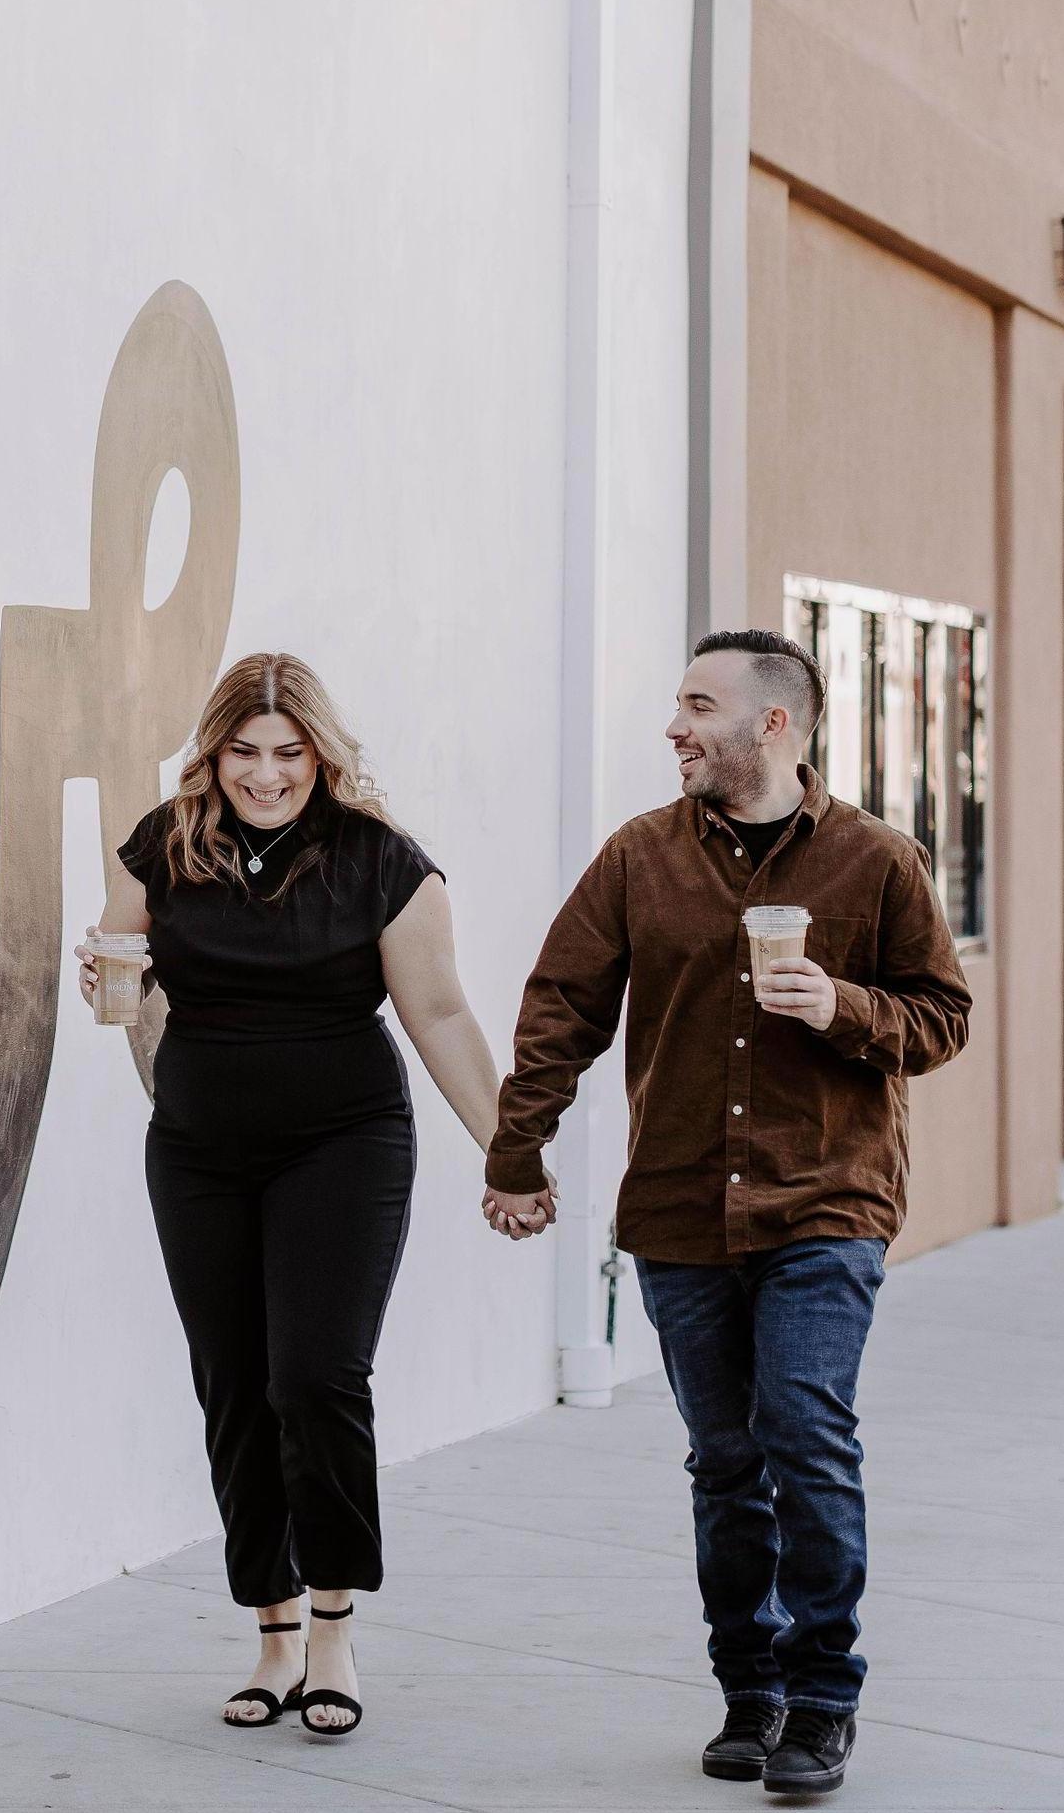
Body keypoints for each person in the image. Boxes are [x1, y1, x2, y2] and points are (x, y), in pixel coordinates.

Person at [482, 630, 972, 1798]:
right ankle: (749, 1692)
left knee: (804, 1431)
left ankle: (823, 1699)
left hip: (827, 1198)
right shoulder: (638, 858)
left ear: (774, 724)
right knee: (726, 1460)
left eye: (699, 706)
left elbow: (942, 1018)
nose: (676, 726)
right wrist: (517, 1150)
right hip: (680, 1206)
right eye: (678, 704)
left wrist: (843, 1005)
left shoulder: (877, 862)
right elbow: (561, 1006)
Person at [78, 652, 520, 1738]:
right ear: (213, 751)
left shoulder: (382, 862)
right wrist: (111, 986)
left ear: (321, 755)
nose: (265, 775)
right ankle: (272, 1633)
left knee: (315, 1379)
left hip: (343, 1144)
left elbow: (441, 1016)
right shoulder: (161, 846)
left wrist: (509, 1153)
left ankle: (332, 1626)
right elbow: (128, 983)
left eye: (288, 753)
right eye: (244, 752)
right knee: (233, 1383)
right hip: (198, 1150)